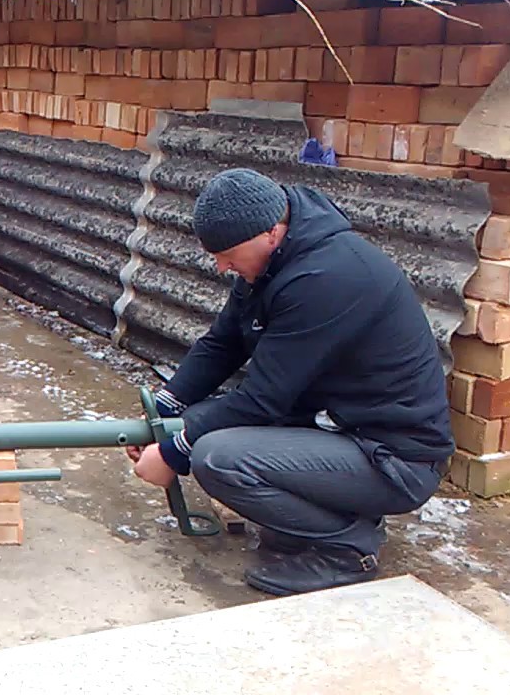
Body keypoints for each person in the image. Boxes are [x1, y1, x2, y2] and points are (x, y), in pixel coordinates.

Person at [126, 167, 454, 596]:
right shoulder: (276, 260)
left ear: (269, 233)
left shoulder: (327, 278)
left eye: (228, 254)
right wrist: (167, 405)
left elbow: (262, 401)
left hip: (395, 460)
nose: (221, 266)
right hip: (344, 430)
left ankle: (347, 547)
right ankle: (311, 524)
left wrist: (172, 451)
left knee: (217, 456)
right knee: (206, 423)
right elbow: (224, 342)